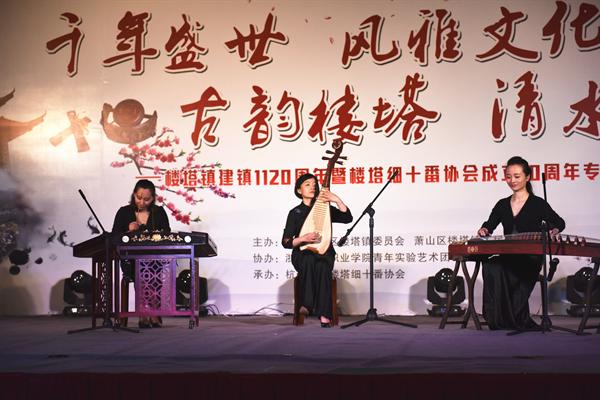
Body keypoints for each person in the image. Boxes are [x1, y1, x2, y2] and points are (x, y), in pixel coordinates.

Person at [477, 156, 565, 330]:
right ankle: (497, 317)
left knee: (513, 269)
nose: (512, 180)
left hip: (530, 257)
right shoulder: (502, 204)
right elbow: (489, 225)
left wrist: (554, 230)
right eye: (509, 176)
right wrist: (484, 229)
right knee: (491, 265)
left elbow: (559, 222)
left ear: (527, 177)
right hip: (508, 255)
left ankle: (513, 318)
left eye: (517, 176)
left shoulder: (537, 204)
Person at [282, 173, 353, 328]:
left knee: (321, 266)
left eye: (314, 184)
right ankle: (310, 306)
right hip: (302, 254)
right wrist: (302, 238)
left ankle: (320, 313)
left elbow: (347, 218)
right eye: (307, 184)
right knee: (308, 258)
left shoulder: (324, 208)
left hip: (324, 253)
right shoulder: (295, 213)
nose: (312, 187)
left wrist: (337, 200)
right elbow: (286, 242)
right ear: (299, 190)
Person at [112, 179, 170, 328]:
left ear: (153, 198)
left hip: (155, 259)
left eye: (146, 199)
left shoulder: (159, 212)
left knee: (150, 267)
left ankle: (147, 312)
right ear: (133, 195)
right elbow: (114, 237)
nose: (142, 202)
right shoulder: (124, 212)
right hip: (130, 260)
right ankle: (149, 313)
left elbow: (167, 235)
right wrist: (128, 231)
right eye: (138, 197)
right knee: (141, 268)